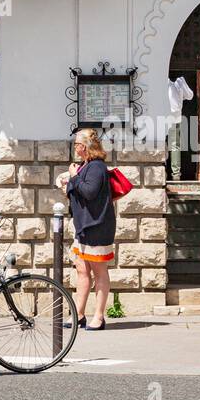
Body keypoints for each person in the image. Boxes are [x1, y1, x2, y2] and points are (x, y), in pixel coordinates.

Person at [57, 128, 116, 331]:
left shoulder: (97, 167)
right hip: (83, 226)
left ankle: (99, 316)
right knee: (82, 270)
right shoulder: (86, 166)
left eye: (76, 144)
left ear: (83, 146)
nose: (74, 147)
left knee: (99, 272)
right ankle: (78, 314)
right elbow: (81, 191)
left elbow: (89, 192)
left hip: (97, 227)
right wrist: (69, 183)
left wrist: (73, 177)